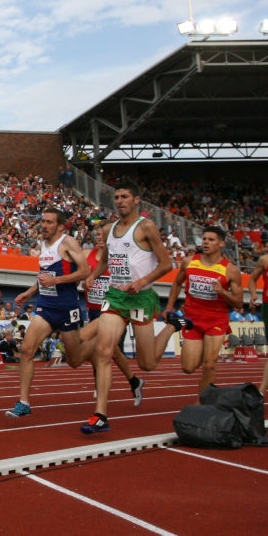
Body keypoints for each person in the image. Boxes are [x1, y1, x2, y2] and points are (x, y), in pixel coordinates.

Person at [82, 182, 182, 434]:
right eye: (116, 197)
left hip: (141, 299)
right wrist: (93, 275)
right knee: (104, 352)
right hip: (116, 297)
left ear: (136, 199)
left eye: (124, 196)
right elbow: (106, 260)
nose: (119, 201)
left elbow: (167, 264)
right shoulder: (112, 228)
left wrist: (141, 282)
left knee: (147, 363)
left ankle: (171, 327)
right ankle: (100, 415)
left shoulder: (146, 227)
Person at [6, 208, 95, 419]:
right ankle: (24, 402)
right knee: (27, 349)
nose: (44, 225)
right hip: (46, 306)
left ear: (60, 226)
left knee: (75, 361)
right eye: (43, 221)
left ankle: (99, 348)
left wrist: (55, 281)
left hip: (66, 308)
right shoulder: (42, 245)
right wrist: (29, 292)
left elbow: (85, 271)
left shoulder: (68, 243)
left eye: (49, 222)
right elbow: (45, 276)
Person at [164, 226, 242, 403]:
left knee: (209, 364)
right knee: (188, 367)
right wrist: (169, 307)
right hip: (192, 319)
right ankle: (200, 355)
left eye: (211, 239)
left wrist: (222, 292)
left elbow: (238, 302)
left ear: (221, 243)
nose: (206, 242)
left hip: (216, 320)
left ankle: (202, 403)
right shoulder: (189, 262)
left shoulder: (230, 270)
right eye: (204, 239)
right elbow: (176, 284)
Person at [80, 221, 145, 406]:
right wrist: (86, 279)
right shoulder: (88, 255)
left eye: (103, 235)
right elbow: (81, 272)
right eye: (98, 235)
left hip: (114, 310)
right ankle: (133, 381)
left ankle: (102, 389)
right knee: (107, 351)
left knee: (104, 350)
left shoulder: (120, 256)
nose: (99, 238)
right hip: (93, 309)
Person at [246, 252, 268, 396]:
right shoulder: (264, 260)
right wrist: (253, 294)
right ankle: (261, 392)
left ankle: (261, 391)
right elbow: (252, 280)